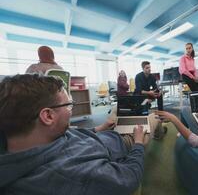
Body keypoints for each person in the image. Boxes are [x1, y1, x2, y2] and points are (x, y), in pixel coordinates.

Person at [0, 74, 146, 195]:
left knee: (117, 110)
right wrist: (138, 144)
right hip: (122, 143)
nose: (71, 110)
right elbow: (128, 178)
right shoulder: (72, 174)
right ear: (48, 116)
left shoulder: (36, 138)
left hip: (102, 136)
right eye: (69, 105)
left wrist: (99, 128)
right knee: (151, 120)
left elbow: (68, 134)